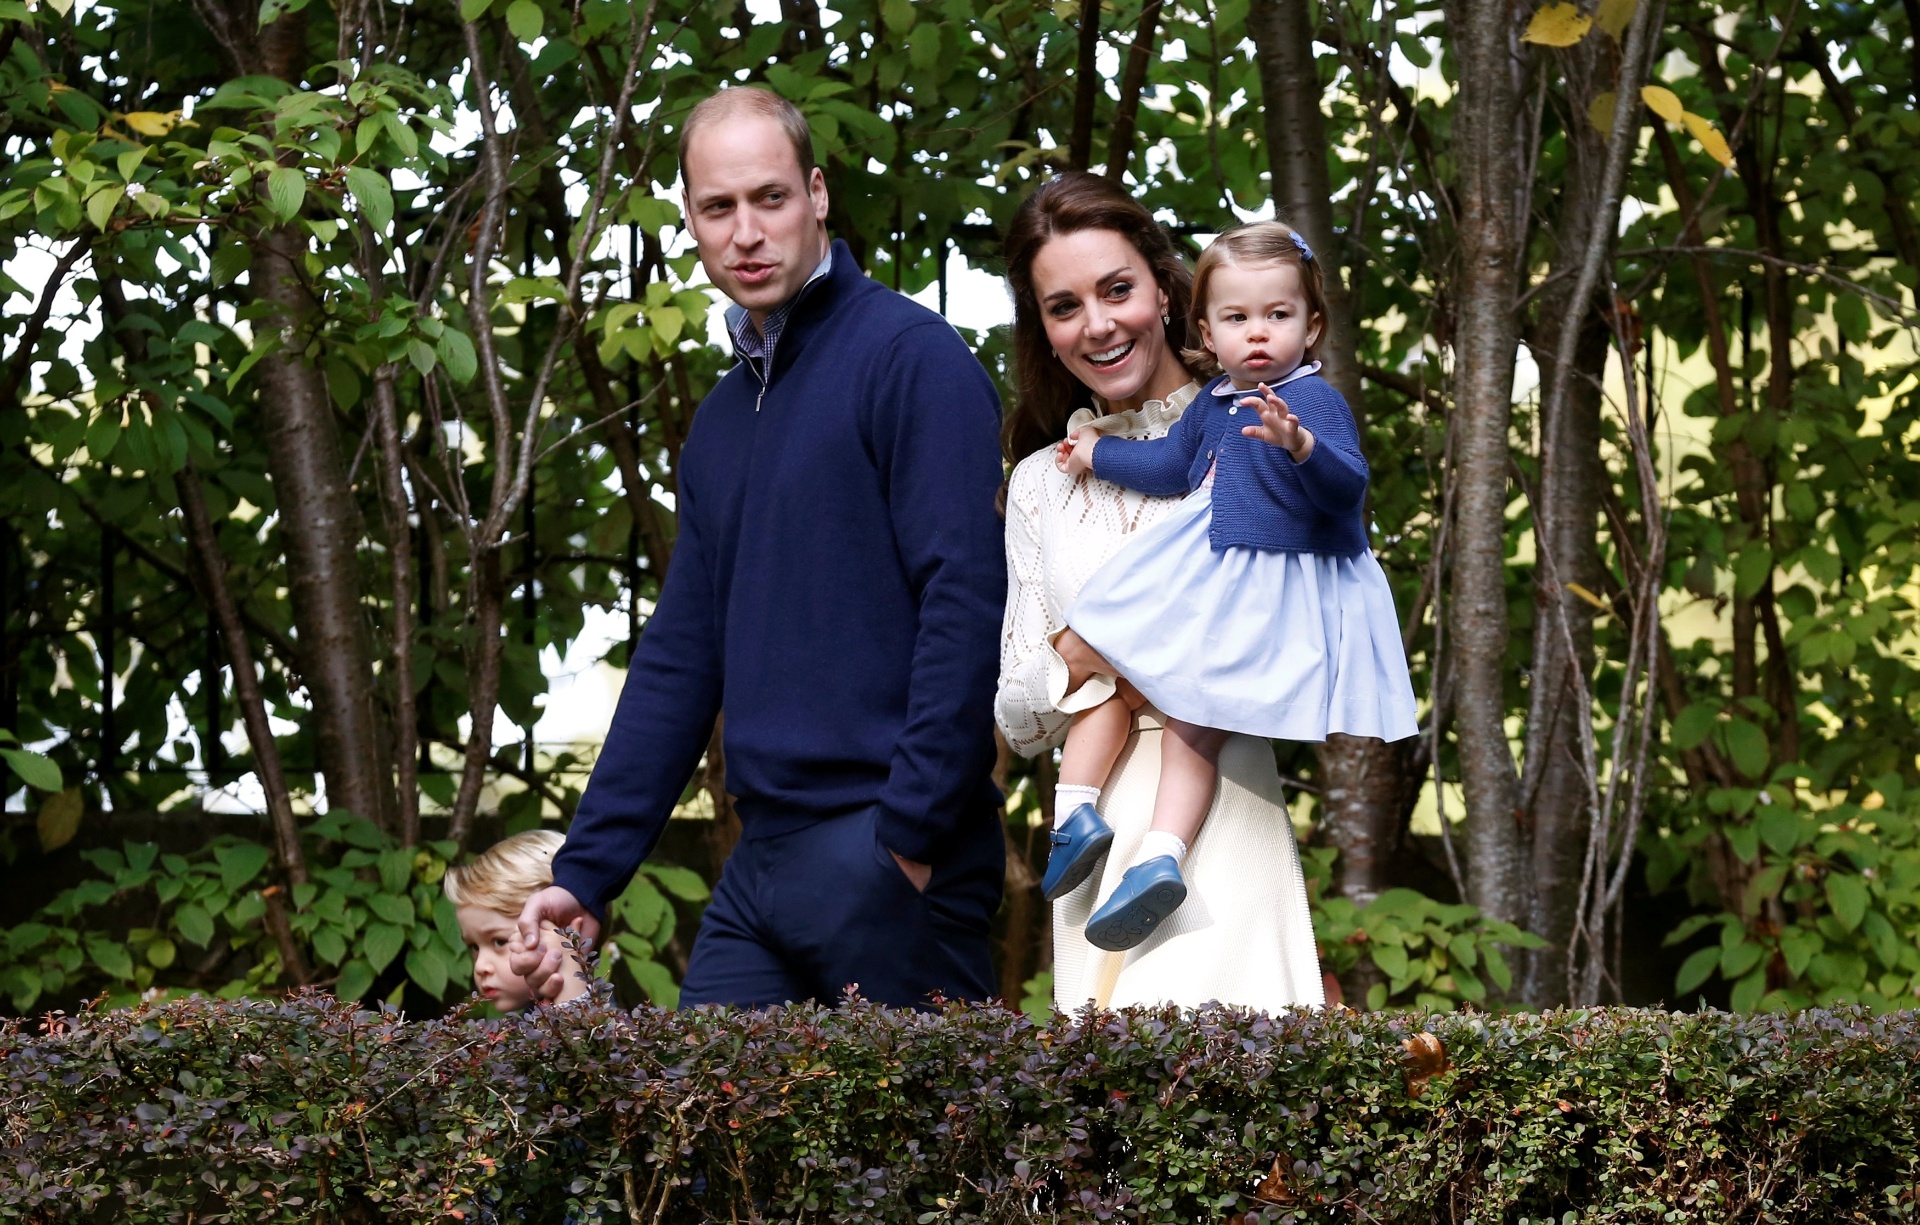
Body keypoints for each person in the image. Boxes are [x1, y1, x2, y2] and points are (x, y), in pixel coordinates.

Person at [511, 87, 1008, 1009]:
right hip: (764, 865)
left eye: (770, 198)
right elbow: (680, 655)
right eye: (718, 207)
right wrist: (588, 873)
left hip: (892, 851)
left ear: (817, 196)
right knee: (707, 1142)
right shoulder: (723, 418)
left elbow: (968, 601)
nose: (747, 232)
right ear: (693, 223)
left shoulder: (912, 358)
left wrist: (909, 839)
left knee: (933, 1151)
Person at [996, 173, 1323, 1012]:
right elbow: (1018, 716)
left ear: (1166, 292)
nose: (1098, 324)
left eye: (1117, 290)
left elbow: (1302, 631)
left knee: (1225, 1080)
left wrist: (1133, 649)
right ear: (1044, 328)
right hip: (1092, 819)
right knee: (1112, 1109)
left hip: (1221, 783)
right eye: (1065, 306)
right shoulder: (1040, 484)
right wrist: (1084, 649)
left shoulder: (1255, 425)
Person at [1048, 220, 1419, 953]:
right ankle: (1119, 838)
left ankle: (1114, 833)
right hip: (1216, 571)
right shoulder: (1214, 400)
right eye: (1236, 318)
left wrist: (1300, 446)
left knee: (1148, 691)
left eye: (1278, 316)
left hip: (1263, 591)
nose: (1258, 335)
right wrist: (1097, 452)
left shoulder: (1310, 402)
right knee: (1151, 698)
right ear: (1207, 333)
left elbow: (1347, 491)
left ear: (1311, 326)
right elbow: (1165, 470)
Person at [443, 830, 590, 1012]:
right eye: (474, 947)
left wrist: (569, 978)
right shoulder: (525, 1024)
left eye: (500, 941)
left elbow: (581, 1039)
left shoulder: (603, 1019)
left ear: (568, 934)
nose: (481, 966)